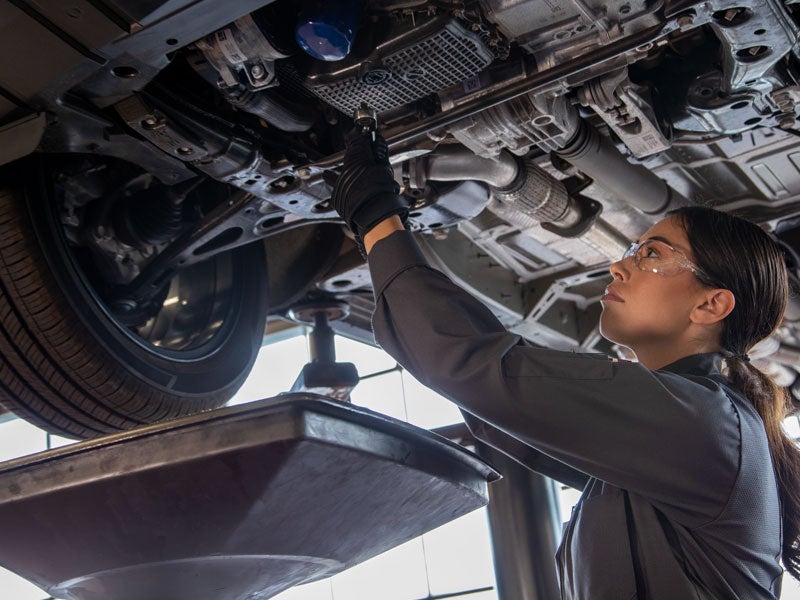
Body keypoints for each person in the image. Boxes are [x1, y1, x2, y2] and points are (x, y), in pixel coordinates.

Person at [331, 127, 800, 599]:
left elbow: (476, 369)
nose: (620, 266)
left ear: (712, 306)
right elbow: (501, 407)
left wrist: (377, 215)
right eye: (632, 250)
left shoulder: (701, 422)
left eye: (653, 253)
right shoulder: (679, 436)